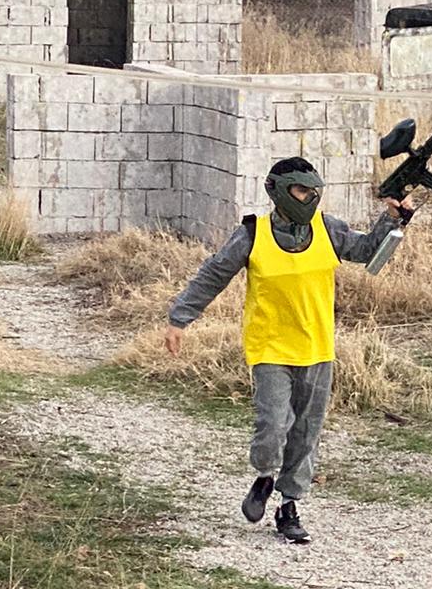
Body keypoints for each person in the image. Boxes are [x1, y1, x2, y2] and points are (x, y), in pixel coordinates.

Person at [165, 156, 411, 544]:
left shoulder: (328, 229)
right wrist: (180, 319)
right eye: (300, 190)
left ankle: (289, 506)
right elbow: (213, 275)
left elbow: (366, 251)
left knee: (306, 432)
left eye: (313, 191)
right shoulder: (253, 235)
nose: (309, 198)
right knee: (272, 426)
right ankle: (265, 476)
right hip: (270, 348)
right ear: (278, 191)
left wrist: (393, 218)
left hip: (317, 347)